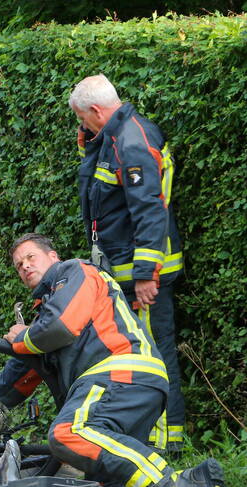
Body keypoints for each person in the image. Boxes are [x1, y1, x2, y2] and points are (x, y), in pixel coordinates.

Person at [0, 233, 228, 487]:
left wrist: (22, 337)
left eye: (30, 257)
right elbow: (21, 376)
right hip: (136, 381)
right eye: (18, 265)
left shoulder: (75, 272)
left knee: (68, 432)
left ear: (53, 256)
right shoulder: (48, 308)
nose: (24, 266)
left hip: (118, 371)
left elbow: (60, 326)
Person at [71, 75, 186, 451]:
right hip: (124, 271)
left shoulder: (132, 143)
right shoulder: (115, 138)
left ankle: (166, 443)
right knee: (139, 354)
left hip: (143, 278)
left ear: (97, 111)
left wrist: (145, 275)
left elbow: (150, 211)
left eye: (83, 119)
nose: (81, 126)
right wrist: (90, 144)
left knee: (154, 355)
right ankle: (146, 437)